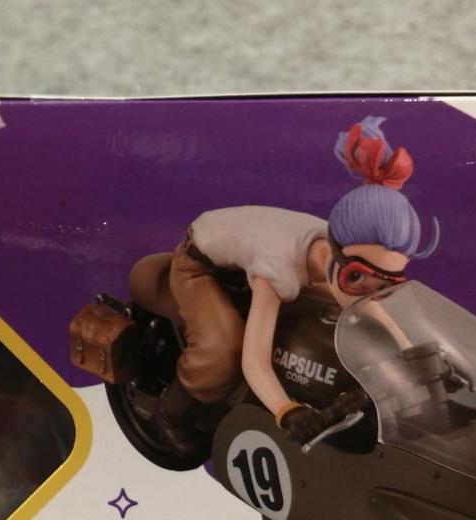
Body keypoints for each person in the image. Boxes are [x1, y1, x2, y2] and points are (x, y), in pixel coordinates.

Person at [153, 116, 440, 453]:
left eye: (386, 284)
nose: (370, 296)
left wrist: (411, 352)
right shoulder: (280, 267)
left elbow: (372, 304)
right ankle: (169, 414)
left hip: (255, 245)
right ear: (334, 252)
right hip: (199, 262)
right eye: (356, 278)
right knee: (223, 349)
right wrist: (286, 410)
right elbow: (254, 359)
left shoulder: (347, 248)